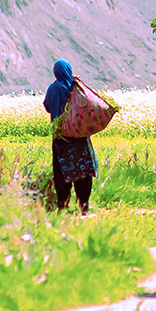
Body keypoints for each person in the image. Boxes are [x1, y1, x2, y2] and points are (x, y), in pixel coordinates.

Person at [43, 59, 97, 215]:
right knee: (83, 171)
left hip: (61, 137)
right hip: (79, 135)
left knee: (62, 171)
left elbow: (47, 106)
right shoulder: (76, 87)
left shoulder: (53, 88)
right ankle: (84, 206)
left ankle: (62, 206)